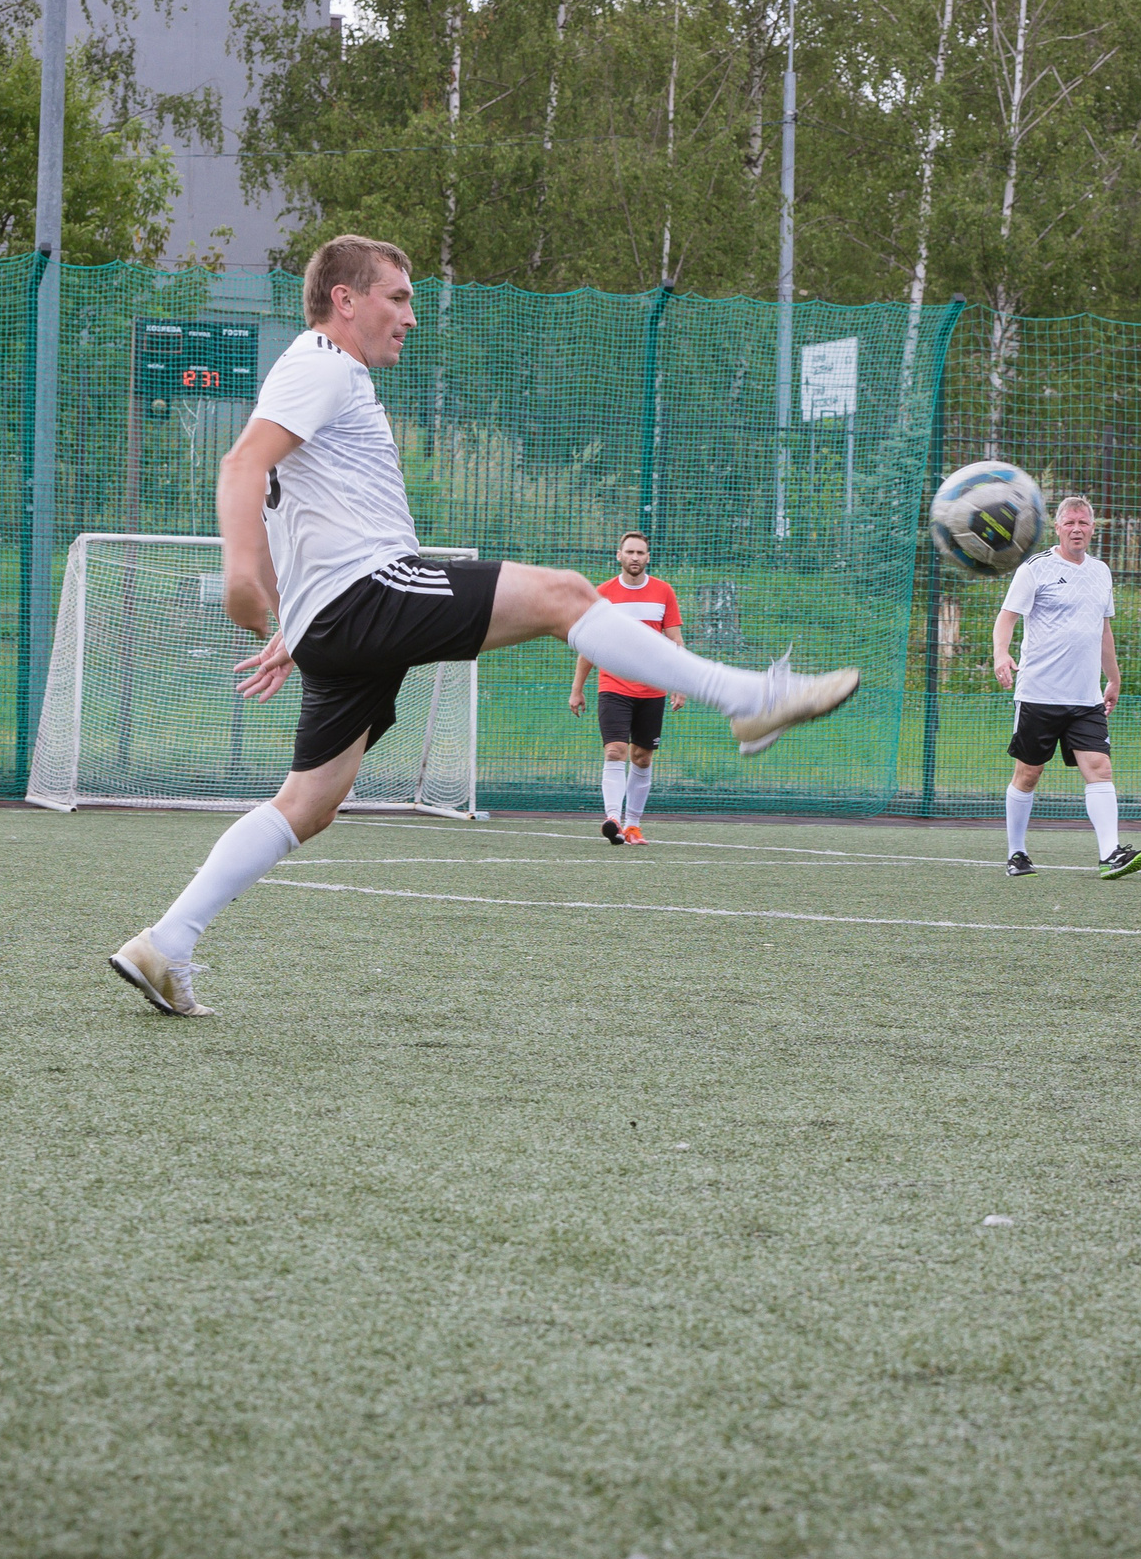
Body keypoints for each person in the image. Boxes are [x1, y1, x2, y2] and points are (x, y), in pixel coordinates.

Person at [107, 234, 860, 1017]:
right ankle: (744, 697)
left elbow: (302, 511)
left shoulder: (329, 374)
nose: (410, 317)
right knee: (565, 593)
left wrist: (296, 620)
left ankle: (167, 941)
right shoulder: (320, 364)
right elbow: (241, 465)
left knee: (309, 803)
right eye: (397, 298)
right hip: (367, 593)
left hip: (338, 615)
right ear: (345, 299)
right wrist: (241, 574)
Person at [991, 497, 1141, 880]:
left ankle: (1110, 853)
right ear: (1058, 528)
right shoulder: (1036, 569)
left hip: (1086, 697)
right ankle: (1017, 852)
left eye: (1083, 522)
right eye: (1069, 523)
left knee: (1099, 767)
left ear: (1092, 528)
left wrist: (1112, 679)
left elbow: (1104, 631)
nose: (1077, 528)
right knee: (1028, 773)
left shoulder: (1100, 572)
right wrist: (1001, 654)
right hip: (1039, 693)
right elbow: (1007, 617)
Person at [567, 531, 686, 844]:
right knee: (614, 751)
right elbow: (589, 645)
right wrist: (577, 688)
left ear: (648, 557)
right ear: (618, 556)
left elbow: (675, 643)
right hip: (613, 686)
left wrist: (679, 683)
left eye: (641, 553)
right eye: (630, 552)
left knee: (642, 758)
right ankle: (613, 818)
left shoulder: (664, 592)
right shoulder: (603, 594)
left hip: (653, 688)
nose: (635, 558)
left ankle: (633, 825)